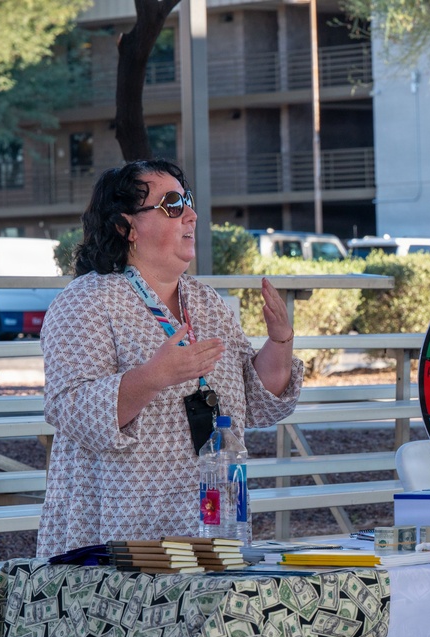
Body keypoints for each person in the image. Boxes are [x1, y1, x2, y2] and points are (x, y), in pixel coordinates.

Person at [36, 159, 304, 557]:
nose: (191, 214)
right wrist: (153, 377)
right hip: (116, 541)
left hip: (210, 527)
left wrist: (280, 341)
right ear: (125, 227)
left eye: (188, 201)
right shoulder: (85, 302)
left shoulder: (205, 302)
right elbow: (70, 408)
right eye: (173, 204)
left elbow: (258, 399)